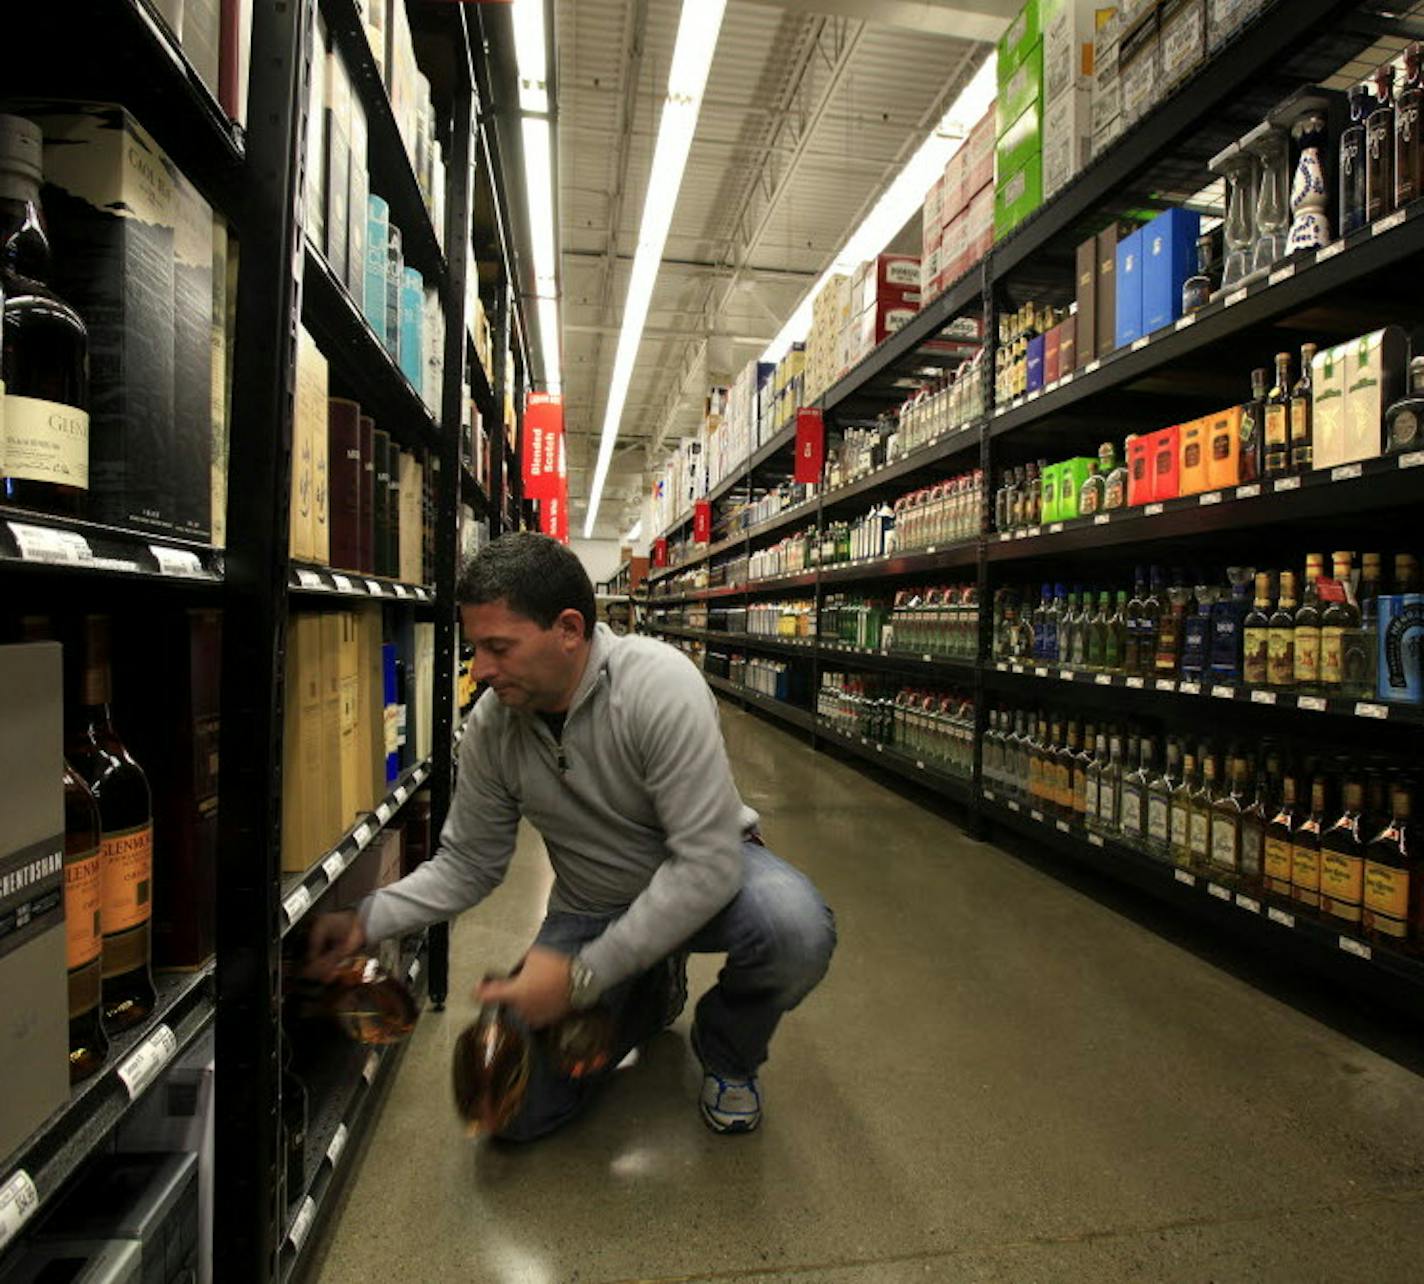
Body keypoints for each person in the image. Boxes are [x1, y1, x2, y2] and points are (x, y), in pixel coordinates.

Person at [308, 532, 836, 1138]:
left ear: (567, 629)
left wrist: (582, 977)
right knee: (510, 1111)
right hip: (594, 906)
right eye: (474, 647)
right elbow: (469, 864)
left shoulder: (657, 685)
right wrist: (368, 918)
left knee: (795, 929)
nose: (479, 670)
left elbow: (706, 866)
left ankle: (728, 1052)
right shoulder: (492, 728)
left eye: (497, 647)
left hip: (716, 885)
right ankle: (648, 988)